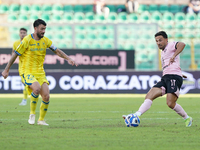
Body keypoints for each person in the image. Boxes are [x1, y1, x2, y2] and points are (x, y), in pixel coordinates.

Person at [2, 19, 78, 126]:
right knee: (36, 88)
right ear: (35, 28)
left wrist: (68, 58)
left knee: (46, 96)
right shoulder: (27, 40)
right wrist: (6, 69)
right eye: (42, 29)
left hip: (40, 72)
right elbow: (15, 54)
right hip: (27, 71)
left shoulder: (45, 41)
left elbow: (57, 51)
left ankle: (41, 120)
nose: (43, 31)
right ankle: (32, 114)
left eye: (45, 29)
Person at [123, 31, 193, 127]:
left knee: (170, 103)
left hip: (174, 78)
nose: (158, 43)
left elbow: (182, 44)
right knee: (149, 95)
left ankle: (187, 118)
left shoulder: (171, 45)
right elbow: (171, 65)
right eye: (156, 41)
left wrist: (174, 55)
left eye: (160, 40)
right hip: (166, 77)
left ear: (166, 39)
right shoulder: (163, 53)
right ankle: (136, 115)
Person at [13, 28, 28, 106]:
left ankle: (26, 99)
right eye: (21, 32)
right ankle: (25, 99)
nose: (22, 34)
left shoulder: (29, 42)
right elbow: (13, 54)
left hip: (30, 66)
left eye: (24, 33)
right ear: (19, 34)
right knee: (25, 83)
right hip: (21, 66)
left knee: (27, 84)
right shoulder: (16, 43)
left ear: (26, 34)